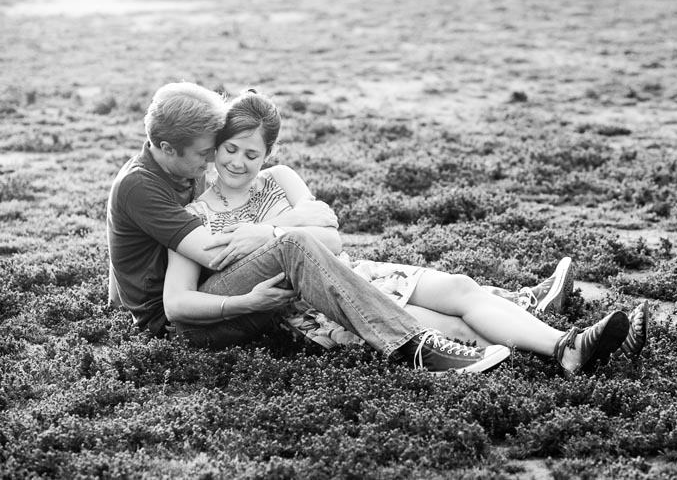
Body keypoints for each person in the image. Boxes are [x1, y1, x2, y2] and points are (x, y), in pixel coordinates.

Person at [162, 89, 643, 376]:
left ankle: (559, 339)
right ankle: (555, 340)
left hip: (347, 270)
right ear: (213, 147)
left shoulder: (280, 180)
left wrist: (264, 232)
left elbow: (329, 239)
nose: (239, 162)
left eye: (252, 153)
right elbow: (180, 300)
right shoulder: (197, 213)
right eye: (230, 149)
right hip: (309, 307)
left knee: (457, 288)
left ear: (267, 155)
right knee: (449, 327)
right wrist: (282, 238)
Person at [107, 81, 512, 375]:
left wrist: (116, 294)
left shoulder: (180, 166)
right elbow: (217, 251)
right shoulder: (140, 185)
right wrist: (285, 225)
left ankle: (508, 304)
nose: (211, 159)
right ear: (164, 148)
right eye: (204, 152)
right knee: (296, 244)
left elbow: (130, 239)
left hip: (208, 293)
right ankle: (414, 346)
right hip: (184, 321)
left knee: (323, 259)